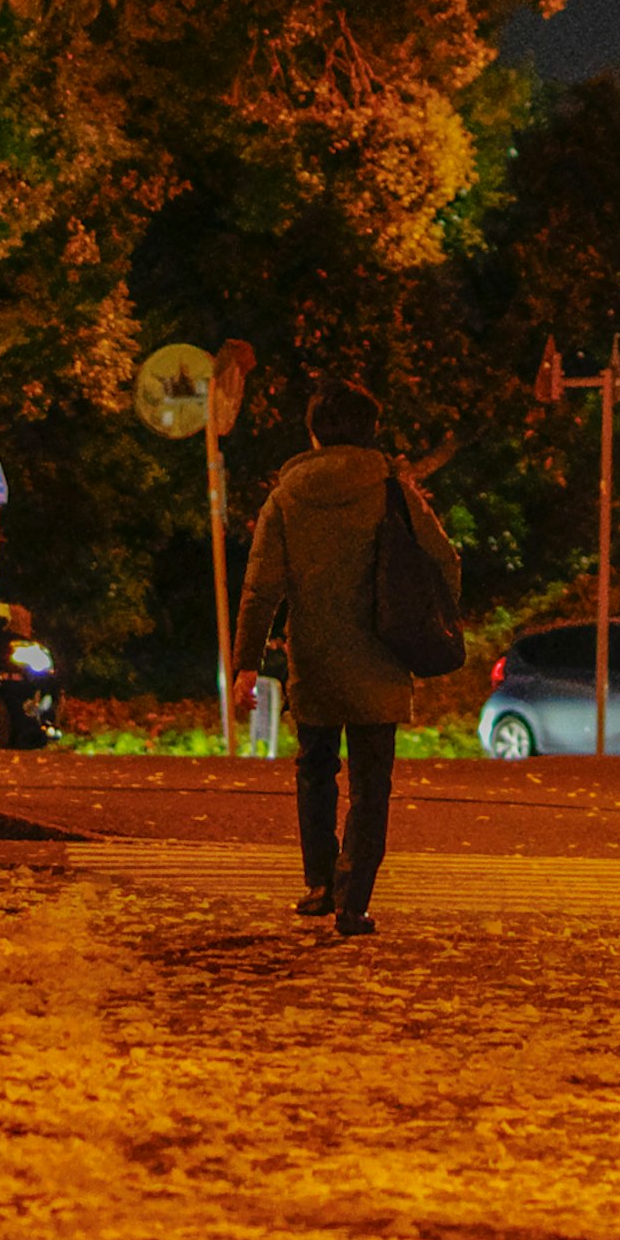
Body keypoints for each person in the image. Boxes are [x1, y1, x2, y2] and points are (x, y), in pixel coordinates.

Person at [232, 372, 451, 940]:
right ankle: (354, 902)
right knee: (372, 782)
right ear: (371, 431)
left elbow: (260, 589)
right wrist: (431, 616)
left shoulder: (285, 498)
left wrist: (246, 664)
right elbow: (443, 559)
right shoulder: (392, 489)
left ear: (314, 434)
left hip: (315, 660)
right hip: (381, 655)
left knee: (316, 769)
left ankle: (318, 883)